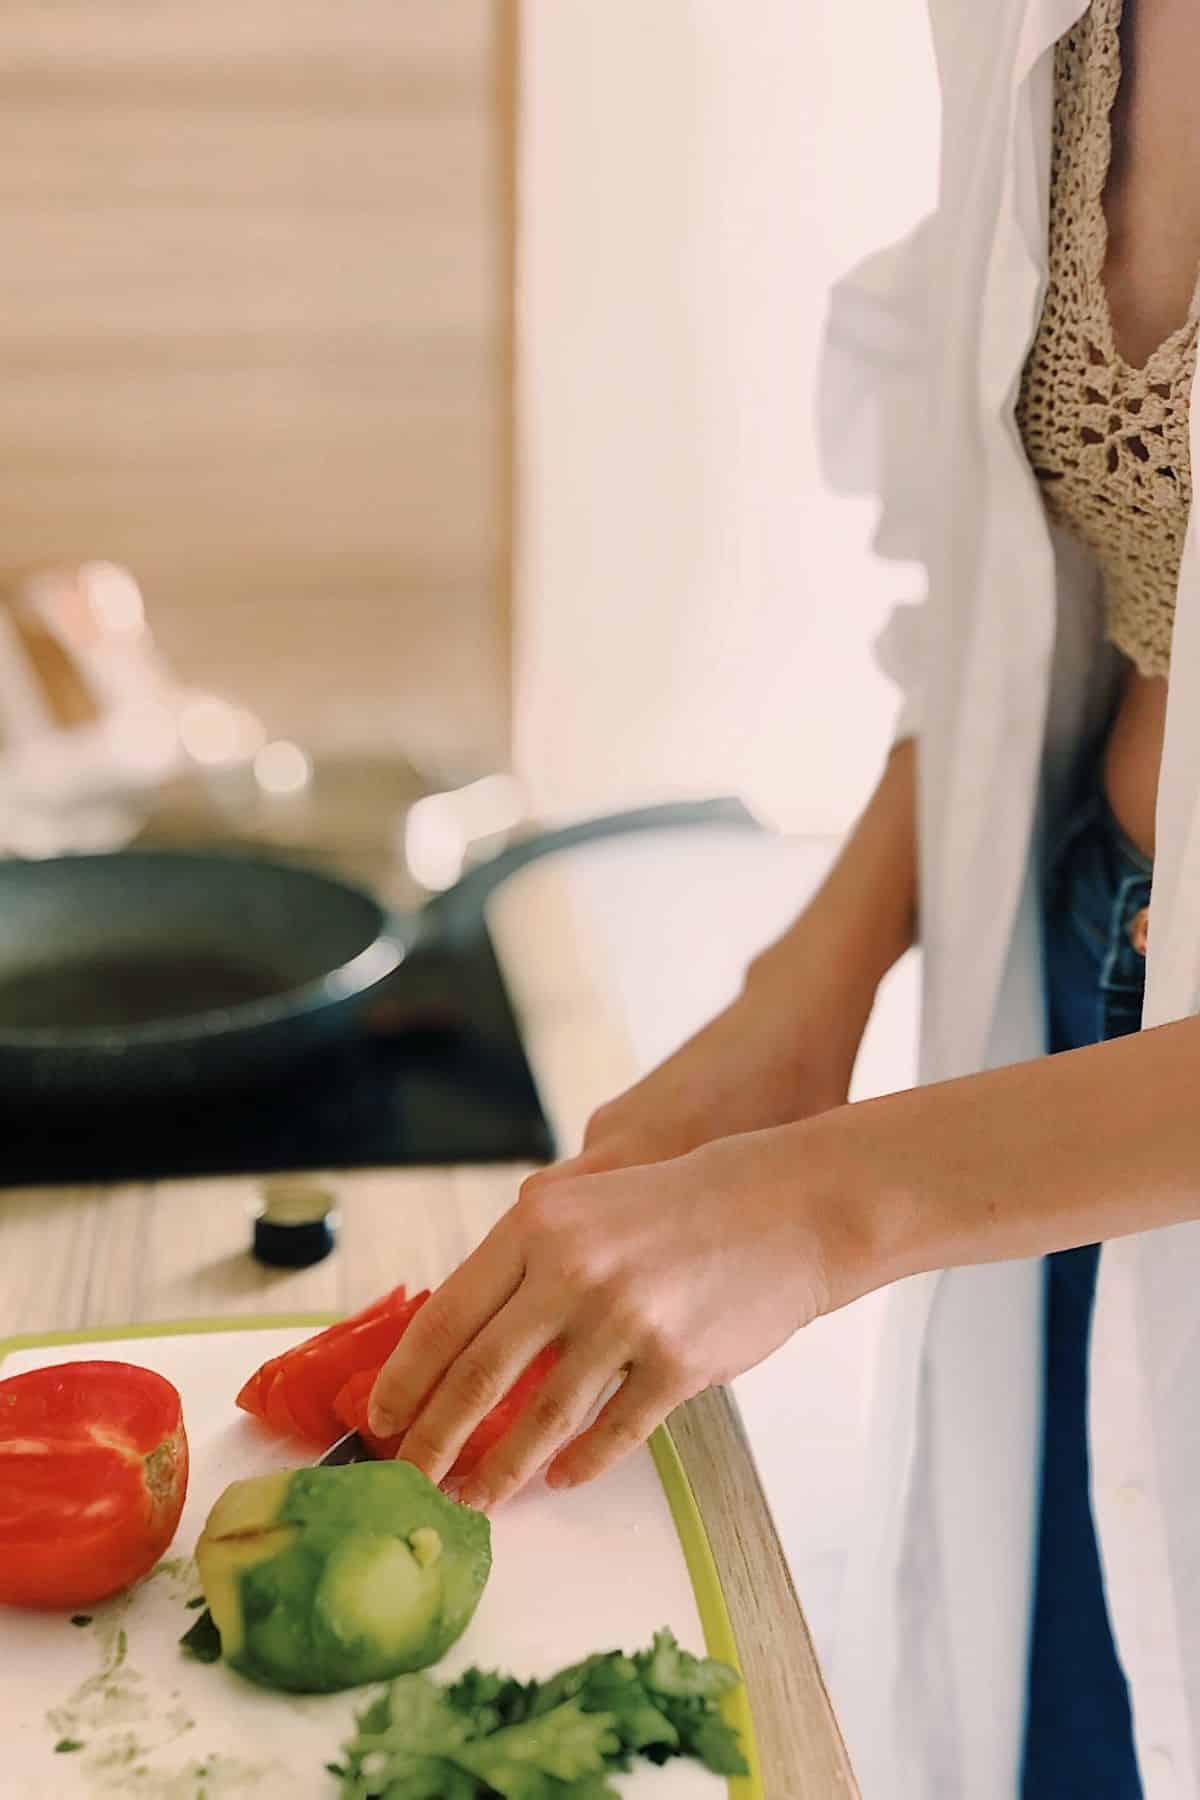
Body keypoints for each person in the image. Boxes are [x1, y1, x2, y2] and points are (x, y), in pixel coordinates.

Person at [370, 0, 1200, 1790]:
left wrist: (825, 1207)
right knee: (1080, 1720)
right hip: (1076, 1029)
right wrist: (801, 998)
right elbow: (1023, 595)